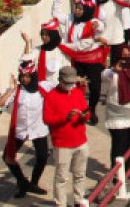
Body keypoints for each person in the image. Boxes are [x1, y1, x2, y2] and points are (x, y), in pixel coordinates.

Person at [42, 65, 90, 207]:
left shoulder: (77, 92)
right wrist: (65, 118)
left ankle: (79, 200)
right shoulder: (51, 97)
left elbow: (87, 111)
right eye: (67, 83)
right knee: (62, 177)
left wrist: (84, 116)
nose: (70, 86)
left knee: (80, 174)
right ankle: (60, 204)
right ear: (60, 81)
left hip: (81, 141)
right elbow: (47, 119)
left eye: (72, 83)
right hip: (62, 144)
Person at [1, 60, 49, 198]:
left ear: (33, 75)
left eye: (27, 76)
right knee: (7, 157)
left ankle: (33, 183)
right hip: (20, 129)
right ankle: (22, 182)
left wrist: (78, 80)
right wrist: (11, 90)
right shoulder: (17, 90)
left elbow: (61, 85)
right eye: (22, 76)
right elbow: (0, 103)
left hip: (38, 128)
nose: (24, 79)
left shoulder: (43, 87)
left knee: (42, 157)